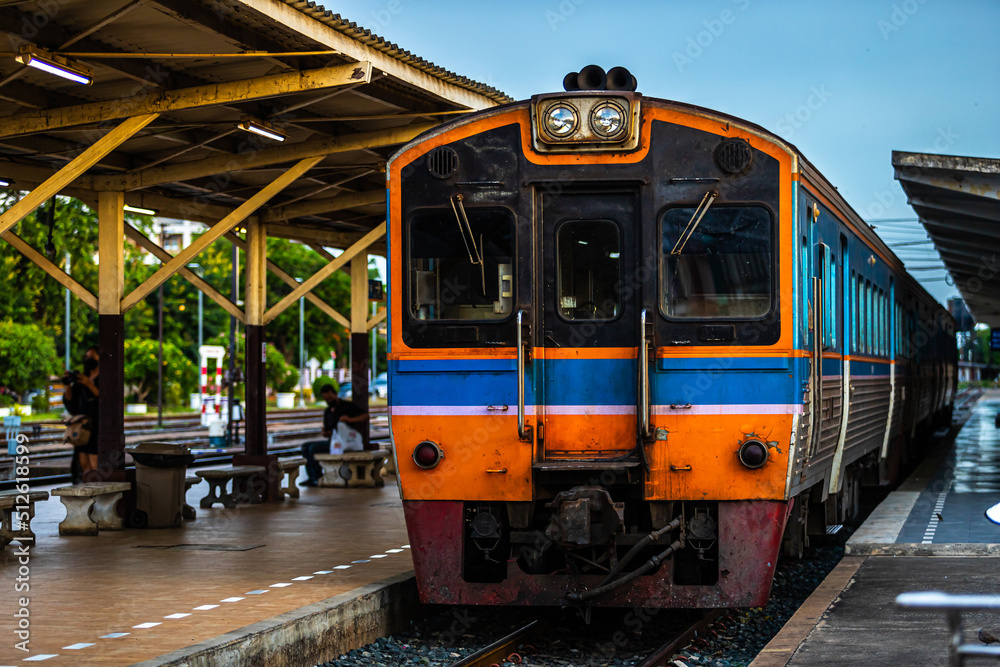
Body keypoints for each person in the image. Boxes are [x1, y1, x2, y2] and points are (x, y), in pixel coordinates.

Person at [300, 383, 368, 487]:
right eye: (326, 399)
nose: (329, 401)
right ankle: (312, 477)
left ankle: (317, 476)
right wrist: (325, 433)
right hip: (333, 441)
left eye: (330, 398)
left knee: (313, 449)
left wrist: (350, 419)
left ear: (334, 394)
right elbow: (328, 432)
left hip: (346, 441)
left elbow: (365, 416)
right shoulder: (328, 411)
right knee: (305, 446)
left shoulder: (347, 406)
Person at [63, 346, 100, 478]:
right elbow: (70, 401)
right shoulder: (81, 379)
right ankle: (88, 491)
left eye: (92, 357)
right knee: (83, 463)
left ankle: (98, 492)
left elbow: (106, 399)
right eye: (86, 357)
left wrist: (89, 384)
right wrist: (68, 383)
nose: (88, 360)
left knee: (94, 463)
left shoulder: (104, 378)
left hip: (97, 426)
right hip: (83, 426)